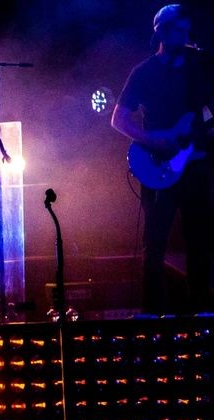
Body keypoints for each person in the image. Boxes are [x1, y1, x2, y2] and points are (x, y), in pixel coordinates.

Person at [111, 4, 214, 315]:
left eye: (186, 31)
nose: (183, 36)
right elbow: (119, 119)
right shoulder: (144, 72)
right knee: (155, 243)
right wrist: (156, 139)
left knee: (199, 240)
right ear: (160, 31)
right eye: (176, 30)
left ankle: (201, 313)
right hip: (158, 165)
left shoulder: (201, 65)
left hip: (195, 161)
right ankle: (152, 313)